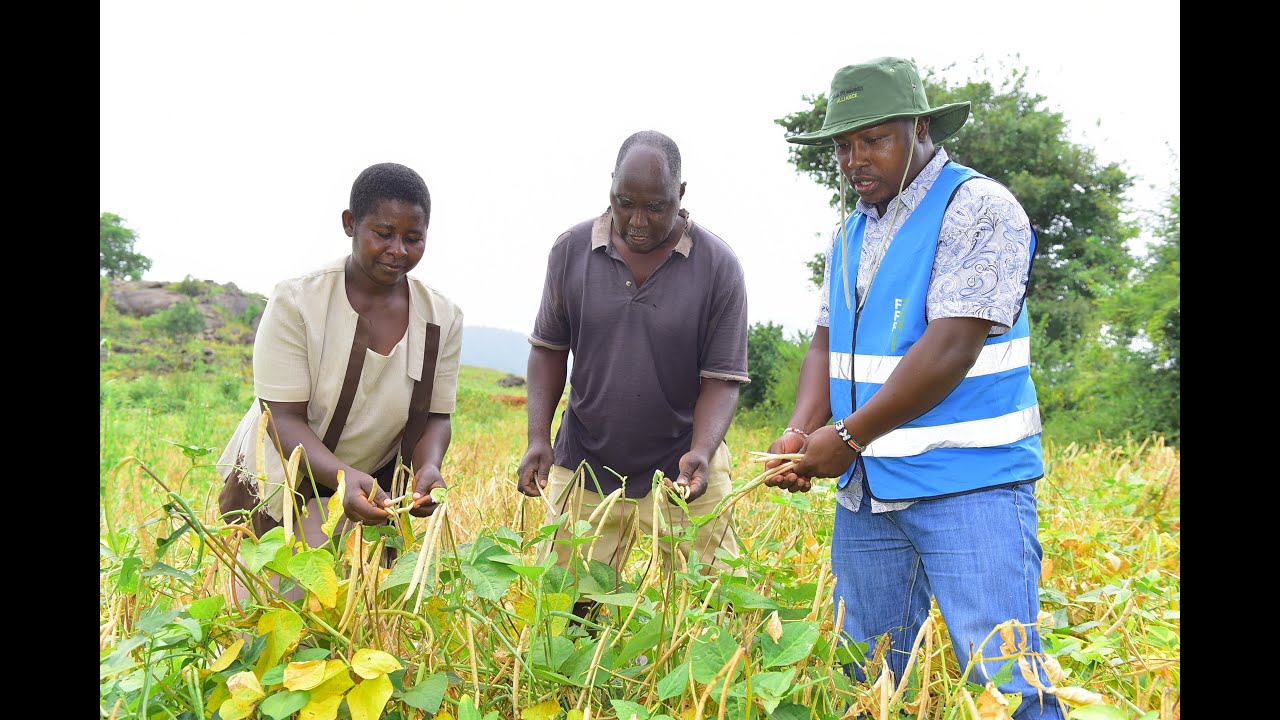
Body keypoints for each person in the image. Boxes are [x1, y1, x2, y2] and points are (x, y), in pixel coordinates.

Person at [765, 58, 1066, 719]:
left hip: (970, 487)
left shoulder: (980, 208)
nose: (854, 160)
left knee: (1006, 682)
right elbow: (826, 341)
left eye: (873, 139)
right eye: (844, 146)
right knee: (867, 682)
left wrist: (844, 437)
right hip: (869, 496)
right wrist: (799, 429)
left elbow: (951, 346)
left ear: (921, 127)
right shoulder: (850, 232)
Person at [516, 130, 750, 599]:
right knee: (566, 604)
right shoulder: (570, 251)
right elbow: (547, 349)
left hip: (684, 462)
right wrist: (538, 437)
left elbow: (722, 379)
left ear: (680, 196)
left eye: (656, 207)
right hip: (585, 457)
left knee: (719, 603)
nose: (637, 221)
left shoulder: (718, 266)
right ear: (610, 188)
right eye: (625, 202)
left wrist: (702, 451)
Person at [217, 162, 464, 570]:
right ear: (351, 223)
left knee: (355, 618)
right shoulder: (297, 300)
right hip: (284, 478)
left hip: (370, 490)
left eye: (413, 238)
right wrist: (344, 477)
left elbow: (437, 416)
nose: (398, 250)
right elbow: (281, 418)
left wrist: (429, 466)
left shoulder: (442, 317)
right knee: (270, 608)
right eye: (383, 234)